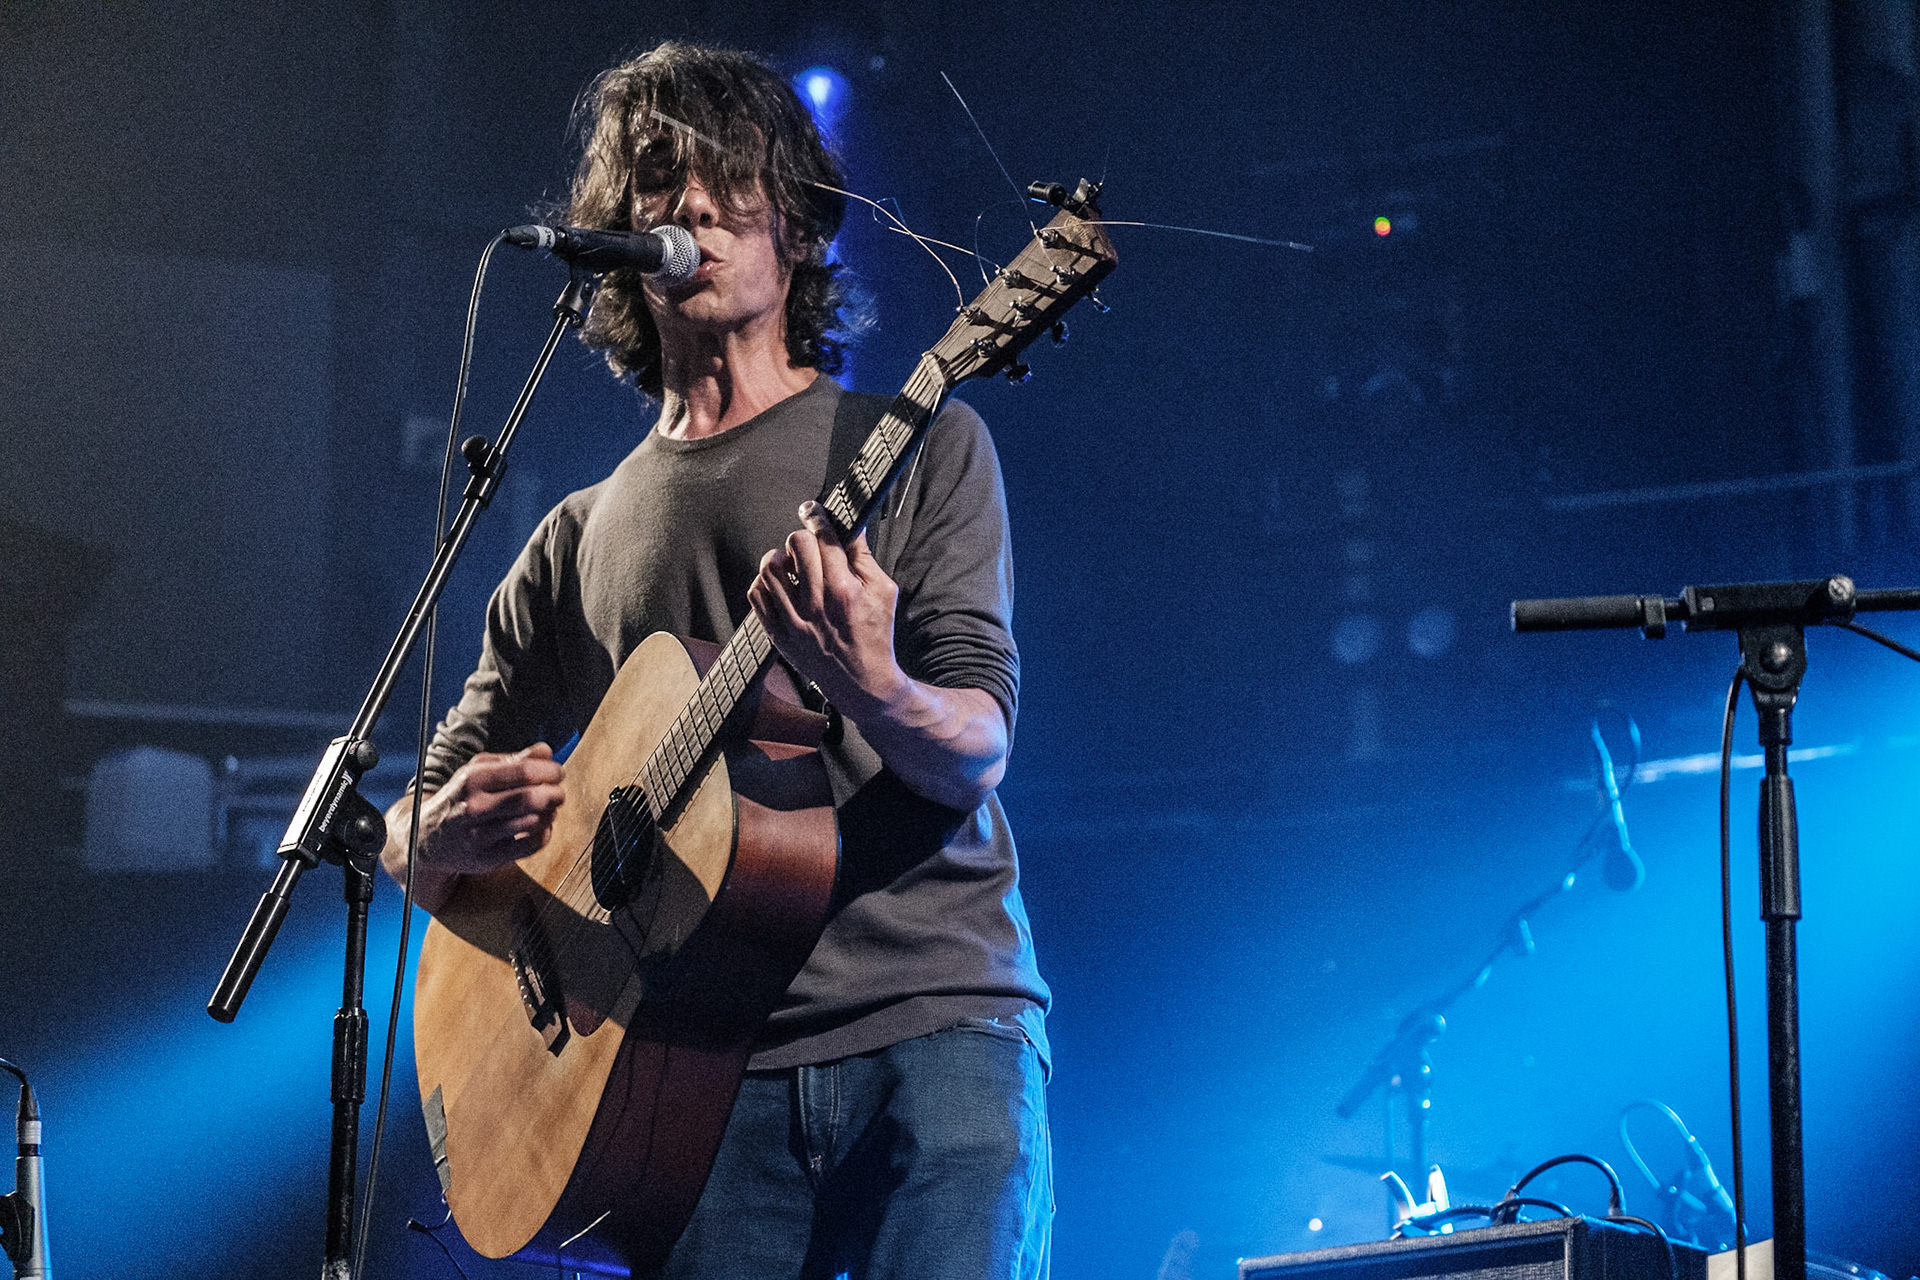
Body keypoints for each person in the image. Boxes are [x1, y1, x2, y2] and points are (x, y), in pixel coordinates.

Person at [379, 42, 1052, 1280]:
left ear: (794, 223)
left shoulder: (917, 445)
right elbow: (412, 821)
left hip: (933, 1030)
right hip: (688, 1079)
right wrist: (447, 828)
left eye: (720, 179)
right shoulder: (572, 535)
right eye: (650, 184)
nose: (681, 206)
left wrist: (870, 680)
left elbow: (975, 745)